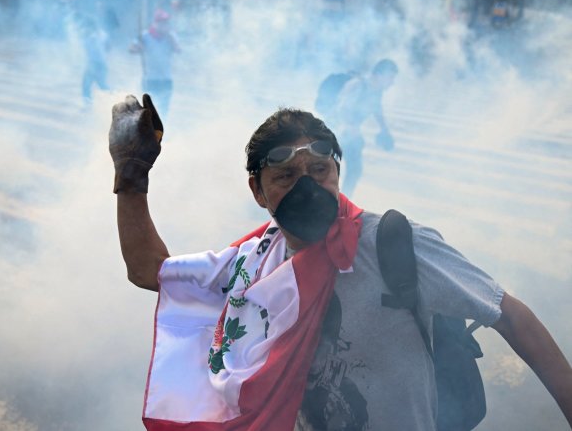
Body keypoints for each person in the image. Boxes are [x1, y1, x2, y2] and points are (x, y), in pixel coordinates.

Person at [108, 94, 572, 430]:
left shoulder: (392, 242)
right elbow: (149, 270)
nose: (306, 186)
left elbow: (508, 312)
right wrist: (131, 176)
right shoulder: (254, 263)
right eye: (286, 176)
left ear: (337, 173)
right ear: (257, 191)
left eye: (319, 171)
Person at [317, 58, 398, 196]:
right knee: (327, 169)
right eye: (390, 77)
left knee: (355, 170)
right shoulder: (358, 85)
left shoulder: (376, 91)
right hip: (335, 132)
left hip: (349, 134)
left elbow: (377, 109)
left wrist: (384, 130)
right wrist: (350, 127)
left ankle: (342, 202)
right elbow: (342, 108)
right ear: (379, 74)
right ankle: (321, 200)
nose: (392, 82)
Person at [129, 9, 180, 118]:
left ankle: (160, 132)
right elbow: (131, 49)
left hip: (166, 79)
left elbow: (178, 50)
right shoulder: (145, 36)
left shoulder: (171, 36)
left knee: (163, 111)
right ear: (155, 23)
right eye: (162, 22)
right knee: (148, 110)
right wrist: (140, 48)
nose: (165, 25)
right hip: (150, 79)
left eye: (166, 23)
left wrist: (171, 40)